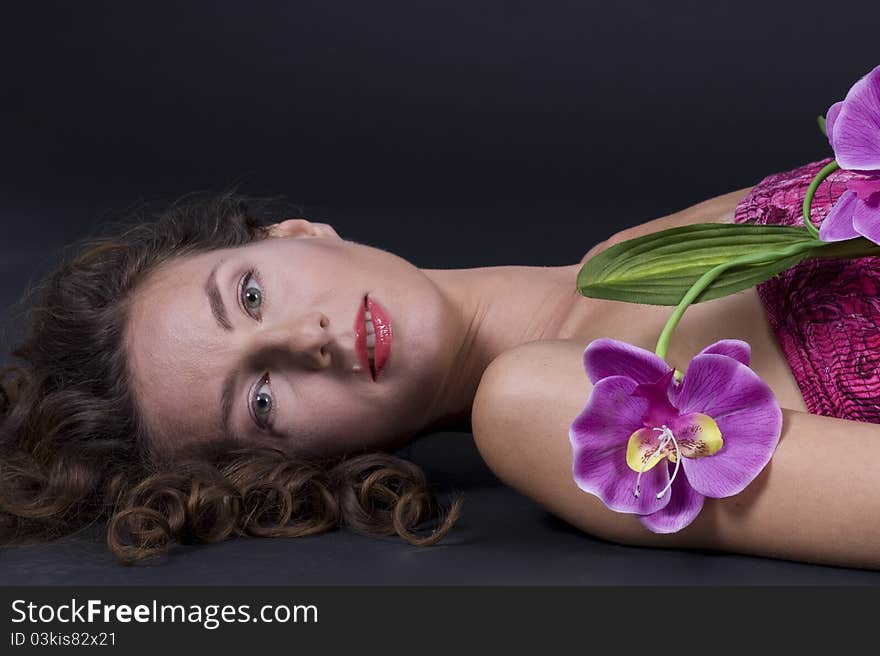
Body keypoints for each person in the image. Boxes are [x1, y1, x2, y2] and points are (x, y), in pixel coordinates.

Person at [1, 159, 878, 570]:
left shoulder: (631, 253)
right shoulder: (541, 407)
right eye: (262, 398)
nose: (309, 341)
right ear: (291, 464)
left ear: (296, 232)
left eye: (253, 297)